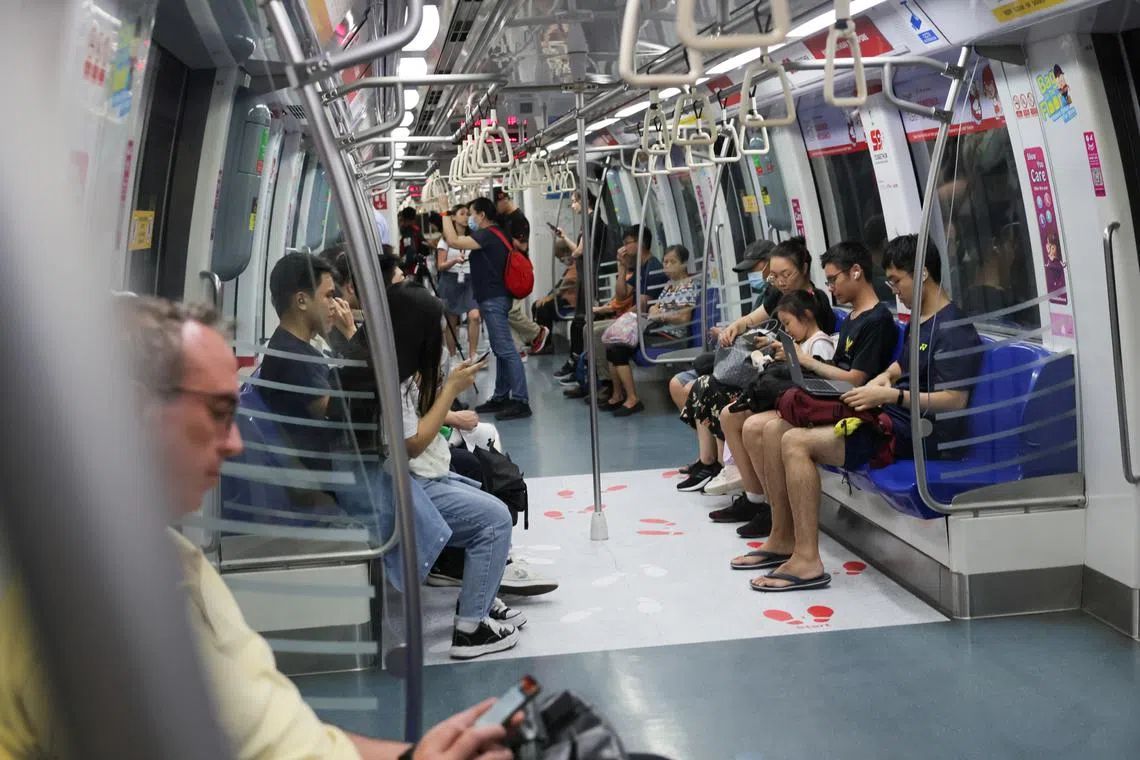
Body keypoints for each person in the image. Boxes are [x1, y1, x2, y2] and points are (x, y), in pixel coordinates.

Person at [0, 295, 522, 758]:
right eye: (217, 413)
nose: (234, 444)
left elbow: (275, 733)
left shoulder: (176, 561)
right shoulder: (86, 623)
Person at [744, 236, 981, 592]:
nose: (894, 290)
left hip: (917, 433)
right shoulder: (923, 321)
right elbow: (904, 364)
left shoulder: (954, 329)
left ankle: (808, 560)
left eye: (898, 280)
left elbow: (954, 400)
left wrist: (890, 394)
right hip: (891, 416)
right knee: (778, 428)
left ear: (924, 274)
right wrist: (888, 376)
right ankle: (782, 538)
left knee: (794, 441)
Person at [718, 240, 898, 538]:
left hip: (851, 404)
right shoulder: (853, 316)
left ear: (856, 272)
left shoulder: (878, 321)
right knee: (751, 425)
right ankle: (774, 517)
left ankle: (781, 524)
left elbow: (854, 379)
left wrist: (806, 362)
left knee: (769, 430)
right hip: (831, 392)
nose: (829, 287)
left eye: (833, 279)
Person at [385, 283, 526, 656]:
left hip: (414, 475)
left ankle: (479, 595)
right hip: (407, 482)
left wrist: (447, 386)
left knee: (486, 494)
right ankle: (470, 628)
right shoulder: (393, 378)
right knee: (494, 519)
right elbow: (410, 443)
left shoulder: (400, 368)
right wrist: (450, 390)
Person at [704, 238, 836, 526]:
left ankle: (771, 506)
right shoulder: (779, 295)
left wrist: (777, 344)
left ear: (803, 268)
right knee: (728, 413)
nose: (778, 281)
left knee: (735, 411)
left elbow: (810, 355)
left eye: (784, 274)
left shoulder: (815, 304)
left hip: (797, 383)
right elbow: (757, 319)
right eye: (773, 276)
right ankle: (754, 497)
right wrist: (738, 327)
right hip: (780, 369)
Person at [674, 289, 836, 493]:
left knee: (736, 412)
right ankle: (733, 474)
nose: (786, 329)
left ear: (807, 316)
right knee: (722, 402)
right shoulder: (800, 343)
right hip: (793, 400)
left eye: (788, 324)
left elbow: (816, 380)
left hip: (803, 406)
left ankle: (751, 488)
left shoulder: (819, 344)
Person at [439, 196, 533, 421]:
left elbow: (453, 241)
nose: (470, 218)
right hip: (496, 297)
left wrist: (444, 213)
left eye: (472, 213)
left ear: (481, 215)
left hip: (494, 299)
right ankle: (501, 395)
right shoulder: (498, 233)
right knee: (501, 349)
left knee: (507, 350)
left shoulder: (488, 235)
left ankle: (521, 400)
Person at [566, 225, 666, 400]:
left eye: (628, 243)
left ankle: (607, 384)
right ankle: (595, 379)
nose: (624, 247)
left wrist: (622, 317)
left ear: (641, 243)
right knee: (588, 326)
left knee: (596, 331)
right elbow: (621, 295)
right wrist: (622, 266)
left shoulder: (653, 268)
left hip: (647, 321)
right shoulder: (639, 267)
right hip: (635, 317)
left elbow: (643, 305)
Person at [258, 252, 341, 454]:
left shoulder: (286, 344)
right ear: (302, 301)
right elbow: (339, 420)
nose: (335, 305)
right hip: (324, 477)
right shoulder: (296, 359)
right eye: (328, 296)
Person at [601, 244, 697, 417]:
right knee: (613, 346)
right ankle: (618, 395)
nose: (666, 266)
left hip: (672, 336)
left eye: (671, 262)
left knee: (619, 349)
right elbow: (654, 309)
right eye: (665, 262)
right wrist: (658, 313)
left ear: (683, 264)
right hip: (657, 331)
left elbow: (684, 319)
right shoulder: (669, 285)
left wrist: (662, 316)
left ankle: (632, 399)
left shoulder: (688, 287)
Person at [553, 189, 609, 381]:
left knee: (580, 323)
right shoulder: (593, 220)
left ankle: (580, 366)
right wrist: (565, 237)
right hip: (586, 275)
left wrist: (570, 249)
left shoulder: (590, 221)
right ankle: (579, 366)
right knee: (580, 322)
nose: (573, 205)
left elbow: (579, 252)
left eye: (574, 201)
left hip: (588, 276)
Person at [436, 204, 483, 368]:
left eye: (468, 214)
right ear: (453, 217)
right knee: (451, 320)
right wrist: (454, 260)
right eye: (462, 213)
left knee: (474, 316)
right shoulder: (445, 241)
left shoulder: (474, 238)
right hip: (450, 280)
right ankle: (453, 355)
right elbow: (440, 265)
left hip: (471, 281)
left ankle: (473, 354)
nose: (466, 217)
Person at [505, 217, 550, 359]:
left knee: (511, 311)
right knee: (507, 314)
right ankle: (518, 349)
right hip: (509, 273)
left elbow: (523, 244)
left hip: (515, 273)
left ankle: (537, 332)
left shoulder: (517, 220)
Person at [532, 237, 578, 334]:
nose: (561, 261)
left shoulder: (577, 266)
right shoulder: (571, 268)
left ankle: (546, 341)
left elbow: (563, 286)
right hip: (564, 298)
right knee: (536, 305)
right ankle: (536, 336)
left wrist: (549, 298)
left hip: (571, 301)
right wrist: (547, 297)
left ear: (566, 253)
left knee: (543, 308)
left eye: (561, 258)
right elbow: (558, 287)